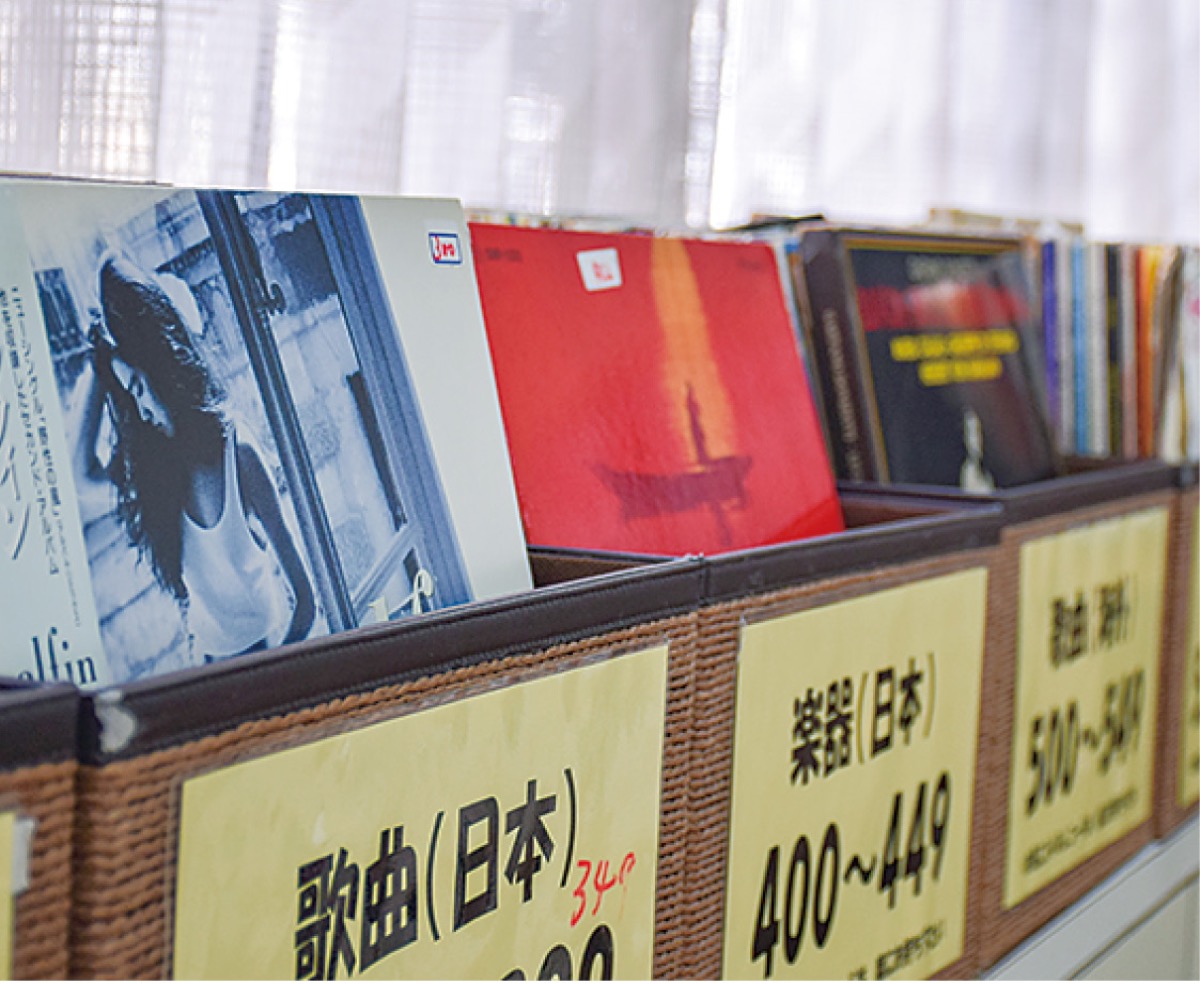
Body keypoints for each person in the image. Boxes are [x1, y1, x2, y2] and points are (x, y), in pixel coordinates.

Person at [76, 251, 316, 663]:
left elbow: (306, 602)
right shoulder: (157, 466)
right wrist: (100, 368)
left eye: (139, 390)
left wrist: (277, 671)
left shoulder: (238, 452)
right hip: (206, 658)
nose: (141, 413)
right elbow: (83, 473)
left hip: (264, 647)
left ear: (164, 369)